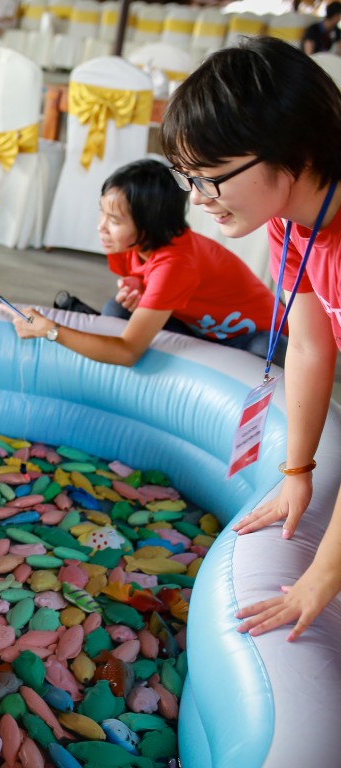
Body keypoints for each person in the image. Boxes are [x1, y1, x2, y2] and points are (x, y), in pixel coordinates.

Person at [161, 36, 341, 641]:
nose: (197, 198)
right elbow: (312, 346)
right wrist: (298, 469)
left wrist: (323, 574)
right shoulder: (294, 223)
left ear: (291, 148)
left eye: (209, 177)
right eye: (188, 177)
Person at [11, 159, 286, 367]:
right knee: (115, 310)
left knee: (268, 349)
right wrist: (138, 284)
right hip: (194, 328)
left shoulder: (176, 263)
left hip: (252, 337)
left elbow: (128, 352)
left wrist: (51, 331)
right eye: (102, 214)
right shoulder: (127, 243)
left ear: (148, 225)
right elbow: (142, 275)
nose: (101, 228)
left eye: (115, 221)